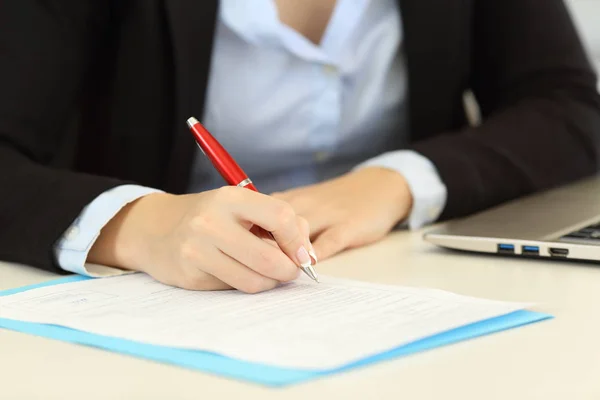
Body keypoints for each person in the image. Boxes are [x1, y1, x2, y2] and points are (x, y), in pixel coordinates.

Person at [1, 0, 599, 293]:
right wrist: (139, 224)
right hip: (152, 314)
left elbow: (568, 104)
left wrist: (391, 184)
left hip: (382, 282)